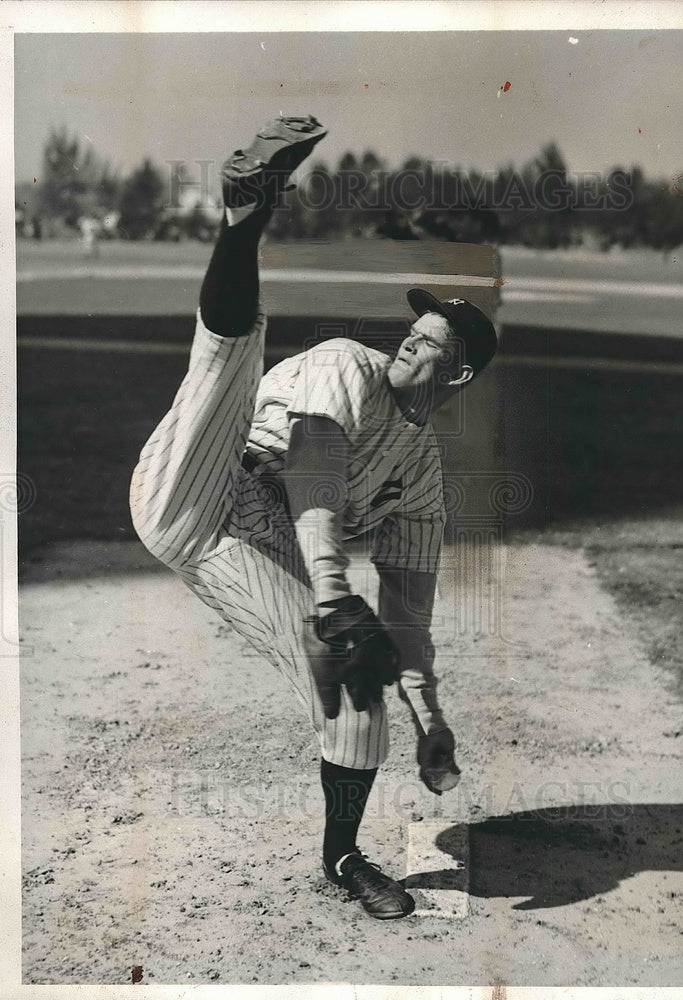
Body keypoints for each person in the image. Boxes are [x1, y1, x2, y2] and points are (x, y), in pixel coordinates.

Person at [129, 115, 498, 920]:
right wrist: (332, 595)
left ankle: (341, 856)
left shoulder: (421, 476)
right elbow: (315, 473)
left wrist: (428, 716)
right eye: (415, 324)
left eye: (431, 339)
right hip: (200, 478)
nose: (412, 336)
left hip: (244, 552)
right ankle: (245, 216)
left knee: (360, 700)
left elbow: (409, 615)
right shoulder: (345, 364)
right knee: (227, 358)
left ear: (458, 374)